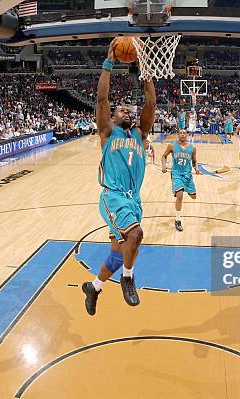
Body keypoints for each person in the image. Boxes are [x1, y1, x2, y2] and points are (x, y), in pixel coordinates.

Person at [81, 38, 156, 316]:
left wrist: (144, 65)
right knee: (136, 233)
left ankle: (94, 287)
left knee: (116, 253)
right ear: (112, 116)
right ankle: (128, 277)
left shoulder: (141, 133)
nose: (128, 110)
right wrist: (109, 61)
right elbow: (101, 98)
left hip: (133, 200)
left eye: (130, 109)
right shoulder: (107, 133)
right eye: (122, 109)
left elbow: (150, 100)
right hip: (112, 197)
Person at [161, 128, 200, 231]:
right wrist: (164, 166)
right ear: (178, 135)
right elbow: (164, 156)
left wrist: (196, 167)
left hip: (187, 175)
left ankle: (183, 188)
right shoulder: (172, 146)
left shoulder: (192, 148)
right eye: (180, 133)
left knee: (194, 196)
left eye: (184, 133)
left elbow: (194, 161)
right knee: (180, 195)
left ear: (186, 135)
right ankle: (178, 220)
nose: (182, 134)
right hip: (176, 174)